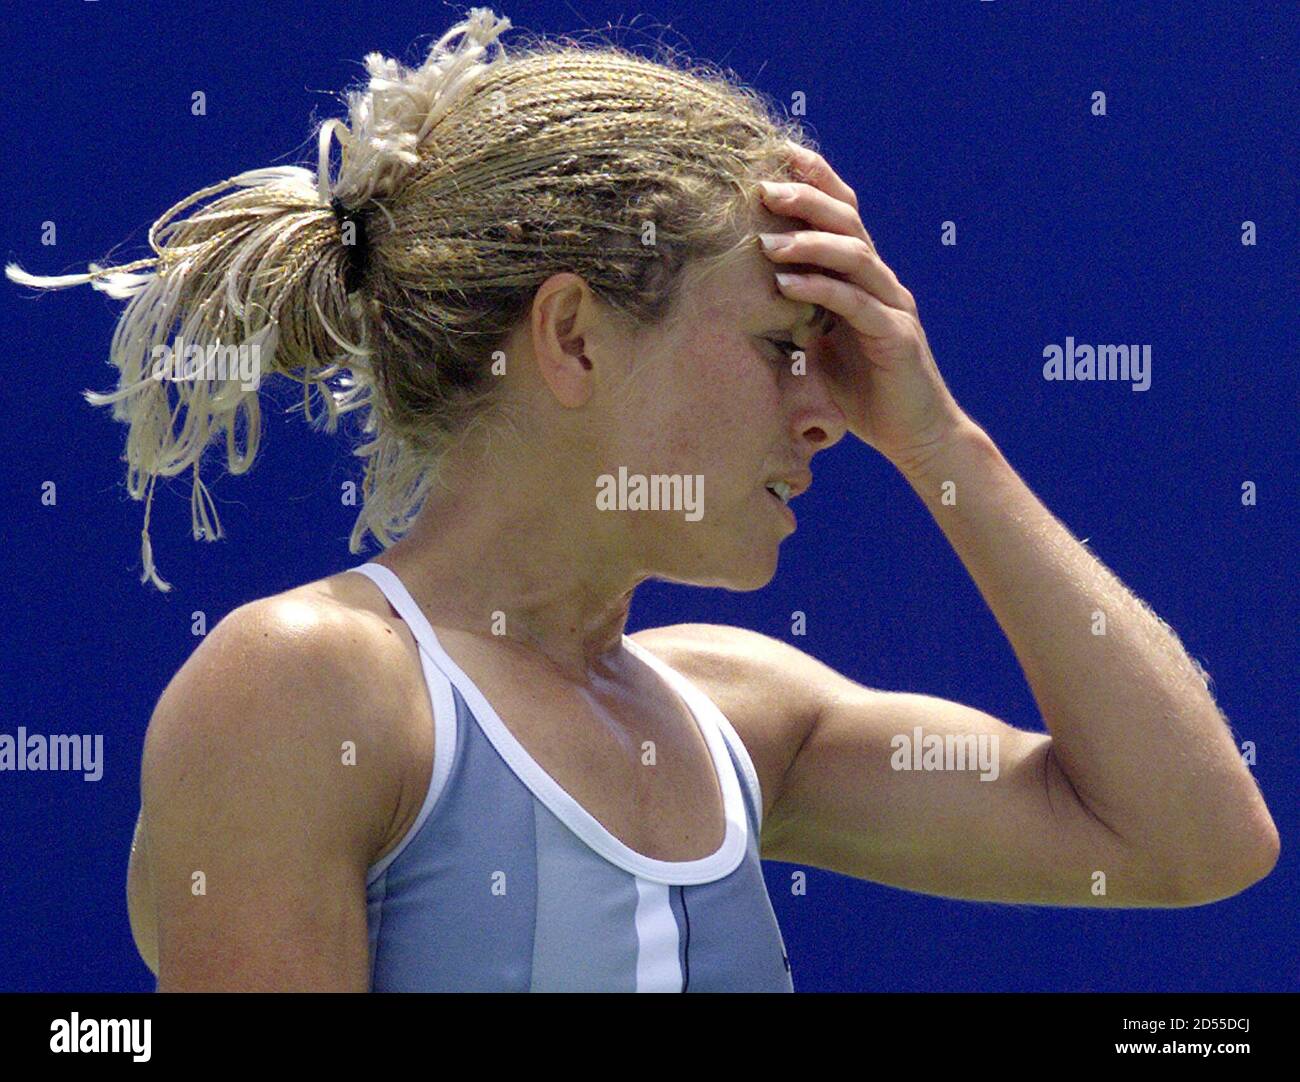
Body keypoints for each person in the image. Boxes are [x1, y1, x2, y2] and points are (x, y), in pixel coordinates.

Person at [9, 8, 1279, 992]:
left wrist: (943, 439)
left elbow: (1190, 839)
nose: (826, 408)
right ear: (571, 338)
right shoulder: (307, 685)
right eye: (786, 343)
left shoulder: (741, 710)